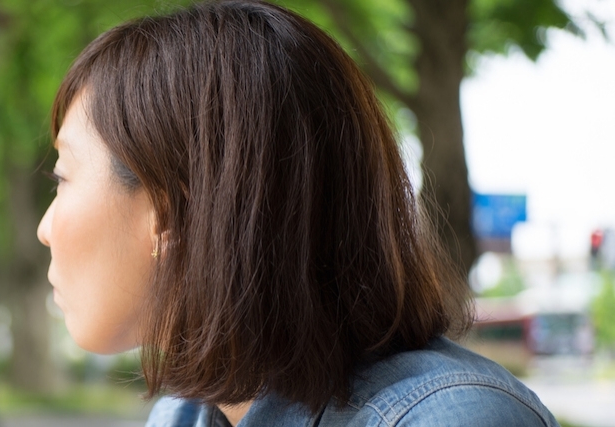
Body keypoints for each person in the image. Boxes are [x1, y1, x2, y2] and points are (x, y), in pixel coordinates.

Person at [34, 1, 558, 426]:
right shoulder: (185, 413)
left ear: (169, 213)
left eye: (63, 178)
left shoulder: (445, 419)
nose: (43, 229)